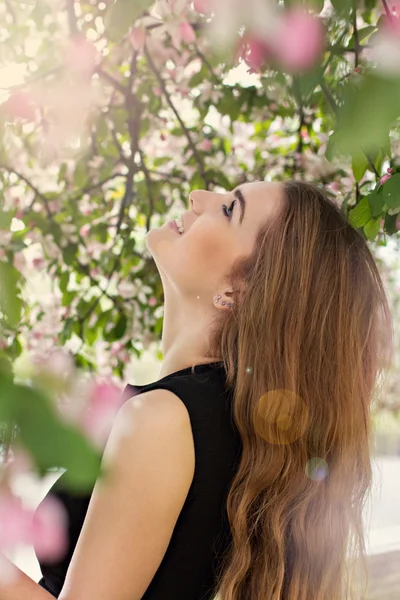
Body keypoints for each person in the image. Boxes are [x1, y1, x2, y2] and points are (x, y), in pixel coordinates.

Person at [34, 180, 393, 600]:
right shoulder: (236, 433)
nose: (197, 198)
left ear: (239, 291)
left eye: (228, 210)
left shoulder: (163, 419)